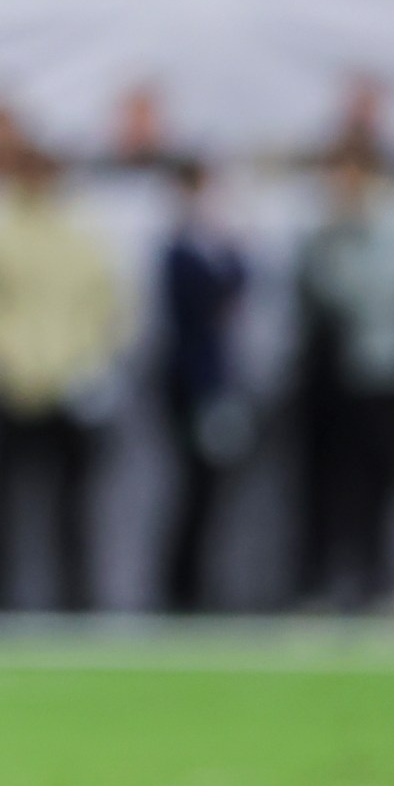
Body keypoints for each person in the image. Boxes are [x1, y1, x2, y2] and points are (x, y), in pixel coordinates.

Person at [0, 149, 125, 611]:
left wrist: (87, 361)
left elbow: (109, 306)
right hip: (7, 386)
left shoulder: (81, 233)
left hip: (69, 388)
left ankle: (77, 601)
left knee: (73, 506)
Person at [294, 144, 394, 608]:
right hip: (333, 372)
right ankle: (327, 583)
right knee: (330, 483)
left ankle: (385, 580)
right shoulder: (328, 225)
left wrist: (343, 242)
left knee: (385, 481)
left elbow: (375, 290)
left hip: (384, 371)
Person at [155, 159, 250, 612]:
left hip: (216, 384)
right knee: (194, 488)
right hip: (194, 387)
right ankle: (182, 586)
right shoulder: (179, 252)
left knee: (213, 493)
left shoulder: (218, 250)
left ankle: (198, 581)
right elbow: (196, 319)